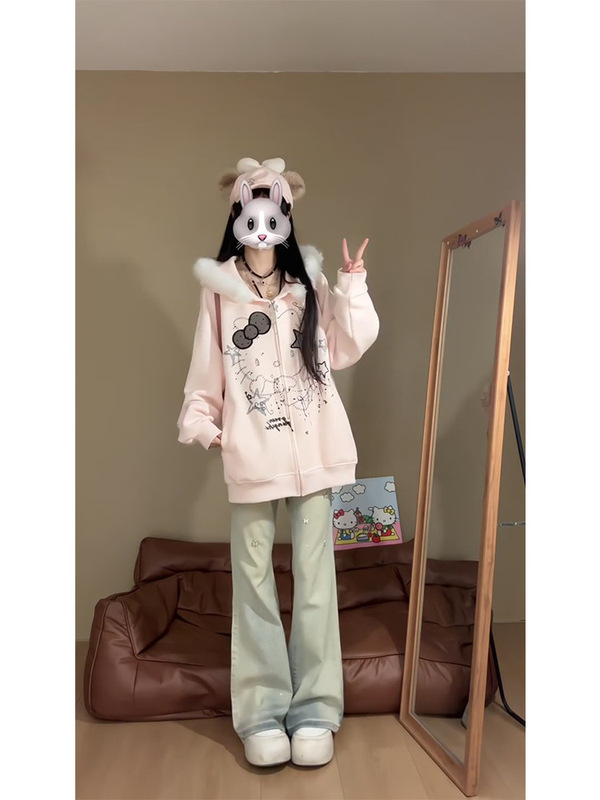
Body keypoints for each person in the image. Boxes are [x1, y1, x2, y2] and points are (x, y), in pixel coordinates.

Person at [177, 157, 379, 767]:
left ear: (285, 213)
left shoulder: (307, 284)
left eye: (275, 205)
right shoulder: (219, 293)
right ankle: (262, 714)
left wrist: (352, 284)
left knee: (316, 581)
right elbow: (205, 369)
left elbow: (344, 348)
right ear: (239, 212)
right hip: (252, 457)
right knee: (253, 582)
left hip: (316, 454)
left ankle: (315, 709)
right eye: (253, 204)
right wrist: (207, 426)